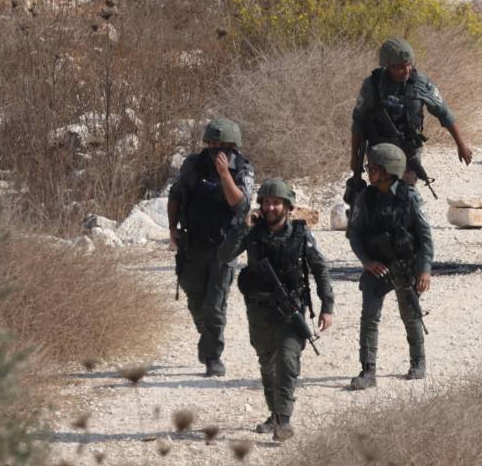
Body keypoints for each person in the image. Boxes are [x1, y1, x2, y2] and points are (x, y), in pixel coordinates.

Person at [219, 178, 334, 441]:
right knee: (267, 362)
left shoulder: (301, 234)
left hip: (291, 309)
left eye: (276, 203)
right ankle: (275, 414)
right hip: (259, 310)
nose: (270, 208)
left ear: (288, 207)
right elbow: (224, 256)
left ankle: (283, 419)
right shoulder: (252, 232)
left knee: (287, 360)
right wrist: (242, 227)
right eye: (266, 202)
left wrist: (327, 306)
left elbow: (320, 269)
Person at [167, 118, 255, 376]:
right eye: (211, 144)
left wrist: (225, 174)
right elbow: (176, 195)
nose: (215, 150)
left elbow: (240, 205)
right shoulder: (193, 165)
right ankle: (207, 335)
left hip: (224, 248)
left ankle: (212, 357)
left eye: (221, 145)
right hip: (192, 244)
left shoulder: (243, 168)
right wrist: (172, 229)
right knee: (196, 302)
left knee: (215, 306)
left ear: (232, 147)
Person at [347, 143, 433, 390]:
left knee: (410, 314)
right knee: (369, 317)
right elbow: (355, 234)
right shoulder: (366, 197)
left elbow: (425, 236)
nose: (369, 172)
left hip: (405, 265)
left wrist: (424, 269)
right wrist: (367, 262)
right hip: (377, 266)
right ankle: (368, 370)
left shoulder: (411, 197)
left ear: (388, 171)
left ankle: (418, 362)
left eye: (373, 168)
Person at [348, 38, 473, 196]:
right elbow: (358, 122)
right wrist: (354, 158)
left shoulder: (421, 83)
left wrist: (461, 145)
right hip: (379, 150)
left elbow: (444, 114)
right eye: (399, 67)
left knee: (407, 194)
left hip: (408, 150)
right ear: (387, 66)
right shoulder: (372, 85)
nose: (406, 70)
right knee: (380, 193)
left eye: (408, 65)